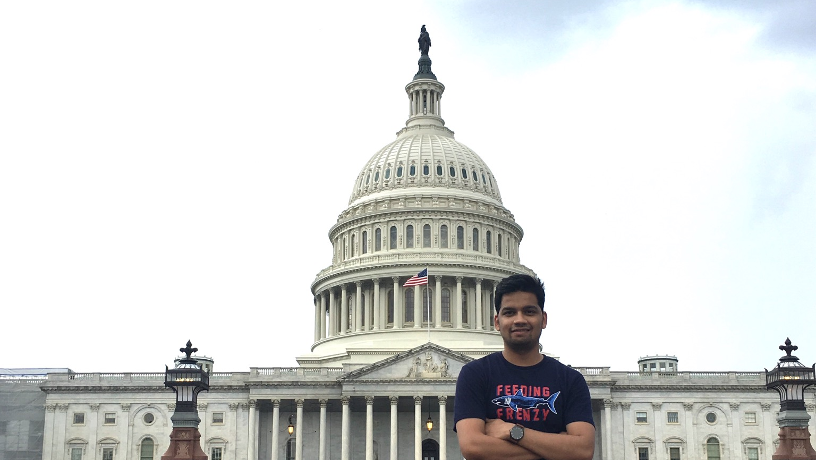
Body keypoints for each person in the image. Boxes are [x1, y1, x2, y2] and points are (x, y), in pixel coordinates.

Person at [454, 274, 595, 460]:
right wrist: (555, 448)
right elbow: (472, 447)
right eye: (509, 312)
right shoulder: (475, 374)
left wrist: (512, 431)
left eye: (529, 311)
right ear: (497, 322)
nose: (519, 320)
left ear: (543, 319)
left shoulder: (570, 379)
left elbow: (583, 451)